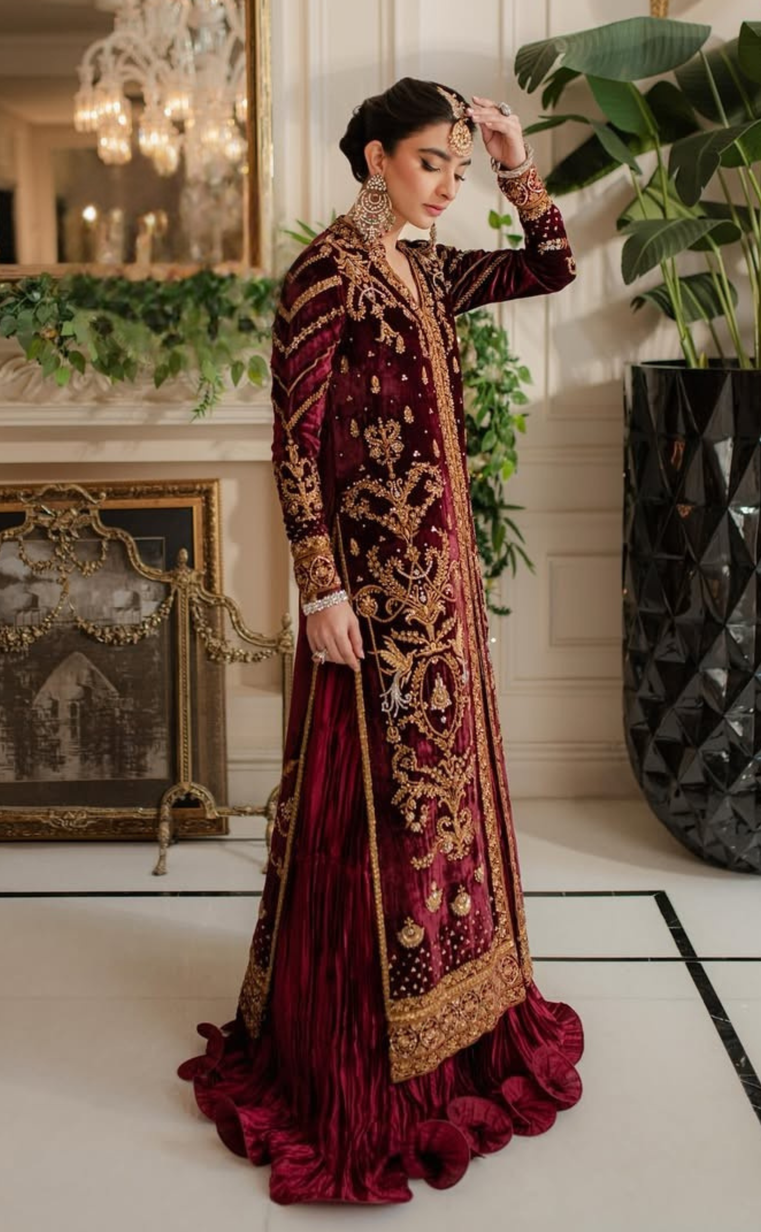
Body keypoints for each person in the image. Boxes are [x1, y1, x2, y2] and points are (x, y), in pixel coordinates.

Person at [179, 78, 584, 1203]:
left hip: (440, 590)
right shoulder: (328, 272)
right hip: (367, 597)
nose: (446, 184)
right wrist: (320, 590)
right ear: (370, 158)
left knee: (448, 810)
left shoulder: (432, 267)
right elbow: (294, 440)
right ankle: (364, 1060)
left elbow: (550, 265)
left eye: (455, 167)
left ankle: (461, 1030)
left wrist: (513, 157)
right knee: (378, 816)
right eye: (429, 162)